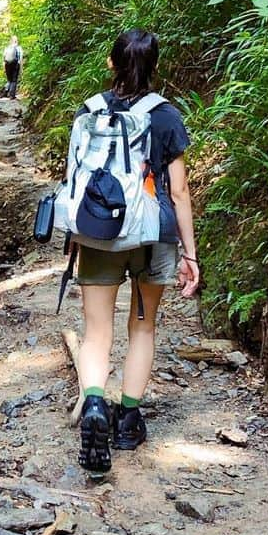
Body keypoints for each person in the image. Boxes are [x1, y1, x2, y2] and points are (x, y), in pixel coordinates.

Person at [76, 29, 200, 478]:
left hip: (101, 232)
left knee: (96, 332)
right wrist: (191, 253)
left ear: (111, 64)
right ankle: (128, 420)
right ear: (155, 67)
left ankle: (94, 404)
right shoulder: (166, 117)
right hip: (153, 234)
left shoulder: (90, 111)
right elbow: (180, 190)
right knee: (142, 328)